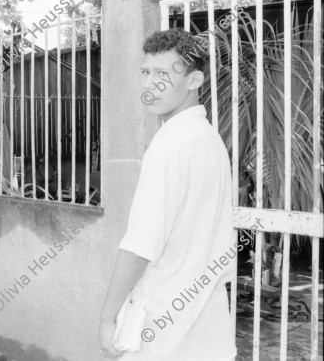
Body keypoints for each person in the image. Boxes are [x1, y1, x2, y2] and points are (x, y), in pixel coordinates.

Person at [98, 28, 237, 361]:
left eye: (163, 74)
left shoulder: (169, 148)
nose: (149, 84)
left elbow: (139, 248)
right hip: (207, 329)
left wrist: (107, 317)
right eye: (145, 73)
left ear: (194, 81)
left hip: (159, 331)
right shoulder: (208, 140)